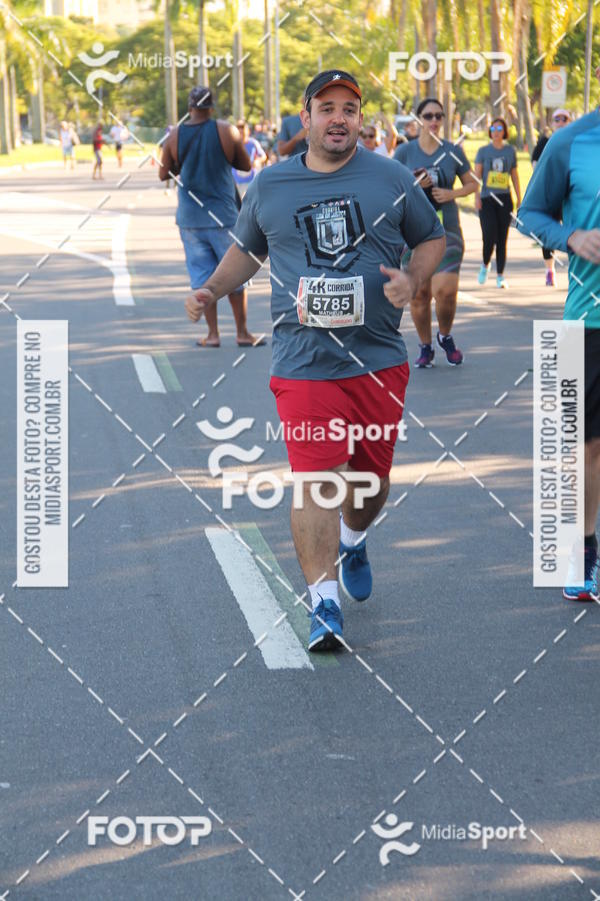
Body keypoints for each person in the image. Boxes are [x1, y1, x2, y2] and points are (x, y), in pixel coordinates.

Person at [185, 69, 445, 651]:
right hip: (303, 361)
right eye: (326, 107)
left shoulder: (391, 176)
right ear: (305, 118)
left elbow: (432, 238)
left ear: (361, 119)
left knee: (370, 482)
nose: (338, 118)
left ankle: (355, 539)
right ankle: (323, 604)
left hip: (378, 359)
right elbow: (247, 253)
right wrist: (209, 289)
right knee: (316, 479)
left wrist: (412, 277)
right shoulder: (272, 186)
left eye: (349, 109)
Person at [518, 70, 600, 602]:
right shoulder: (572, 140)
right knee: (585, 447)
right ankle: (582, 551)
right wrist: (569, 235)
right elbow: (529, 214)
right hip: (587, 319)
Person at [159, 86, 264, 348]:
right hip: (224, 217)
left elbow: (163, 175)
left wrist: (182, 162)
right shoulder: (226, 130)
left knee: (204, 279)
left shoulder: (174, 137)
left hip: (190, 219)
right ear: (211, 106)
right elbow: (245, 165)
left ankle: (213, 335)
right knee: (235, 275)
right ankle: (242, 333)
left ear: (189, 108)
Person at [394, 97, 477, 367]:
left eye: (438, 116)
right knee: (419, 294)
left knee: (445, 291)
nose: (433, 121)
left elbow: (473, 183)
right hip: (412, 232)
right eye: (428, 116)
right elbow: (392, 188)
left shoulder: (453, 150)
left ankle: (445, 335)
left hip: (447, 228)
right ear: (418, 120)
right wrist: (414, 184)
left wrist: (450, 193)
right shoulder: (404, 153)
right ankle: (426, 345)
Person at [474, 117, 521, 289]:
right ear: (490, 132)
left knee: (502, 238)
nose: (496, 132)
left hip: (504, 199)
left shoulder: (510, 151)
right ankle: (485, 264)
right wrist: (476, 196)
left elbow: (514, 176)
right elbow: (476, 176)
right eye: (493, 129)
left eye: (499, 129)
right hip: (487, 199)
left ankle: (500, 275)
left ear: (505, 131)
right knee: (489, 235)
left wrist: (519, 197)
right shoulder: (483, 151)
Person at [530, 108, 572, 287]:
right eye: (557, 119)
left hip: (571, 196)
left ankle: (575, 272)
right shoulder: (545, 142)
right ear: (552, 123)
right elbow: (535, 164)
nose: (560, 122)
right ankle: (550, 270)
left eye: (564, 119)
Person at [233, 120, 267, 191]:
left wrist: (258, 161)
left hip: (251, 180)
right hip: (236, 181)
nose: (241, 131)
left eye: (243, 128)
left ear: (248, 131)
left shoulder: (253, 143)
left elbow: (263, 156)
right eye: (239, 129)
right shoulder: (232, 144)